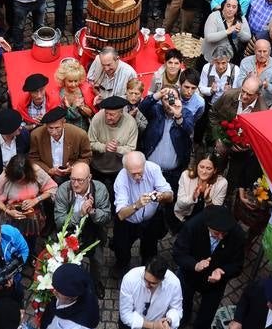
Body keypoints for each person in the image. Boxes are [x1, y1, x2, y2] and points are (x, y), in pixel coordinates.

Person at [173, 205, 245, 329]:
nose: (221, 237)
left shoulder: (237, 235)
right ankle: (184, 317)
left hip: (215, 283)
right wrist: (195, 265)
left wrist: (222, 271)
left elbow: (237, 265)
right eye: (216, 233)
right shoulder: (193, 226)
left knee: (208, 310)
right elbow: (178, 253)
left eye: (224, 234)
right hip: (190, 275)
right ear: (207, 226)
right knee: (183, 299)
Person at [54, 162, 111, 298]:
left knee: (97, 261)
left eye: (80, 180)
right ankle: (70, 285)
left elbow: (107, 216)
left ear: (89, 178)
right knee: (66, 261)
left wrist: (92, 212)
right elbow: (59, 221)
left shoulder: (100, 189)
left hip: (94, 231)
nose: (75, 184)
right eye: (72, 179)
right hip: (70, 233)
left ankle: (95, 282)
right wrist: (79, 213)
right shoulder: (63, 190)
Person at [113, 151, 173, 274]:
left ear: (145, 165)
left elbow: (170, 196)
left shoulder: (153, 169)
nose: (137, 177)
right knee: (121, 249)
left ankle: (148, 270)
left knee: (150, 250)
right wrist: (137, 205)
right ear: (126, 169)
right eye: (133, 174)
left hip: (150, 221)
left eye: (140, 172)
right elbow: (121, 214)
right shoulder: (121, 178)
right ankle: (122, 266)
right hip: (128, 222)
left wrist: (161, 196)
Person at [29, 106, 92, 181]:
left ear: (64, 123)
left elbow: (86, 157)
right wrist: (49, 170)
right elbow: (33, 159)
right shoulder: (36, 135)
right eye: (50, 128)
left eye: (57, 128)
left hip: (71, 176)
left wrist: (73, 168)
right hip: (47, 176)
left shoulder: (79, 134)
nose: (54, 132)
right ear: (45, 126)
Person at [174, 152, 228, 222]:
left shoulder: (222, 183)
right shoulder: (186, 176)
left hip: (205, 222)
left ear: (215, 170)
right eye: (201, 167)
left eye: (209, 168)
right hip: (183, 218)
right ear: (197, 166)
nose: (204, 171)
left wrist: (208, 200)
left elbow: (216, 213)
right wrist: (192, 198)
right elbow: (180, 204)